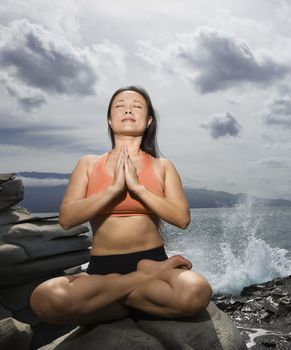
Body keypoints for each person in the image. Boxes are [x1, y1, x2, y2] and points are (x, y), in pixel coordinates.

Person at [30, 85, 213, 325]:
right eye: (120, 106)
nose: (128, 110)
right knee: (44, 299)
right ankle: (137, 289)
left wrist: (138, 188)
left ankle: (113, 301)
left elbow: (181, 218)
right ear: (109, 118)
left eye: (136, 106)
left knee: (195, 291)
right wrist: (113, 189)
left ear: (148, 121)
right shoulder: (88, 164)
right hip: (104, 269)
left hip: (152, 260)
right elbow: (67, 218)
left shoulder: (163, 166)